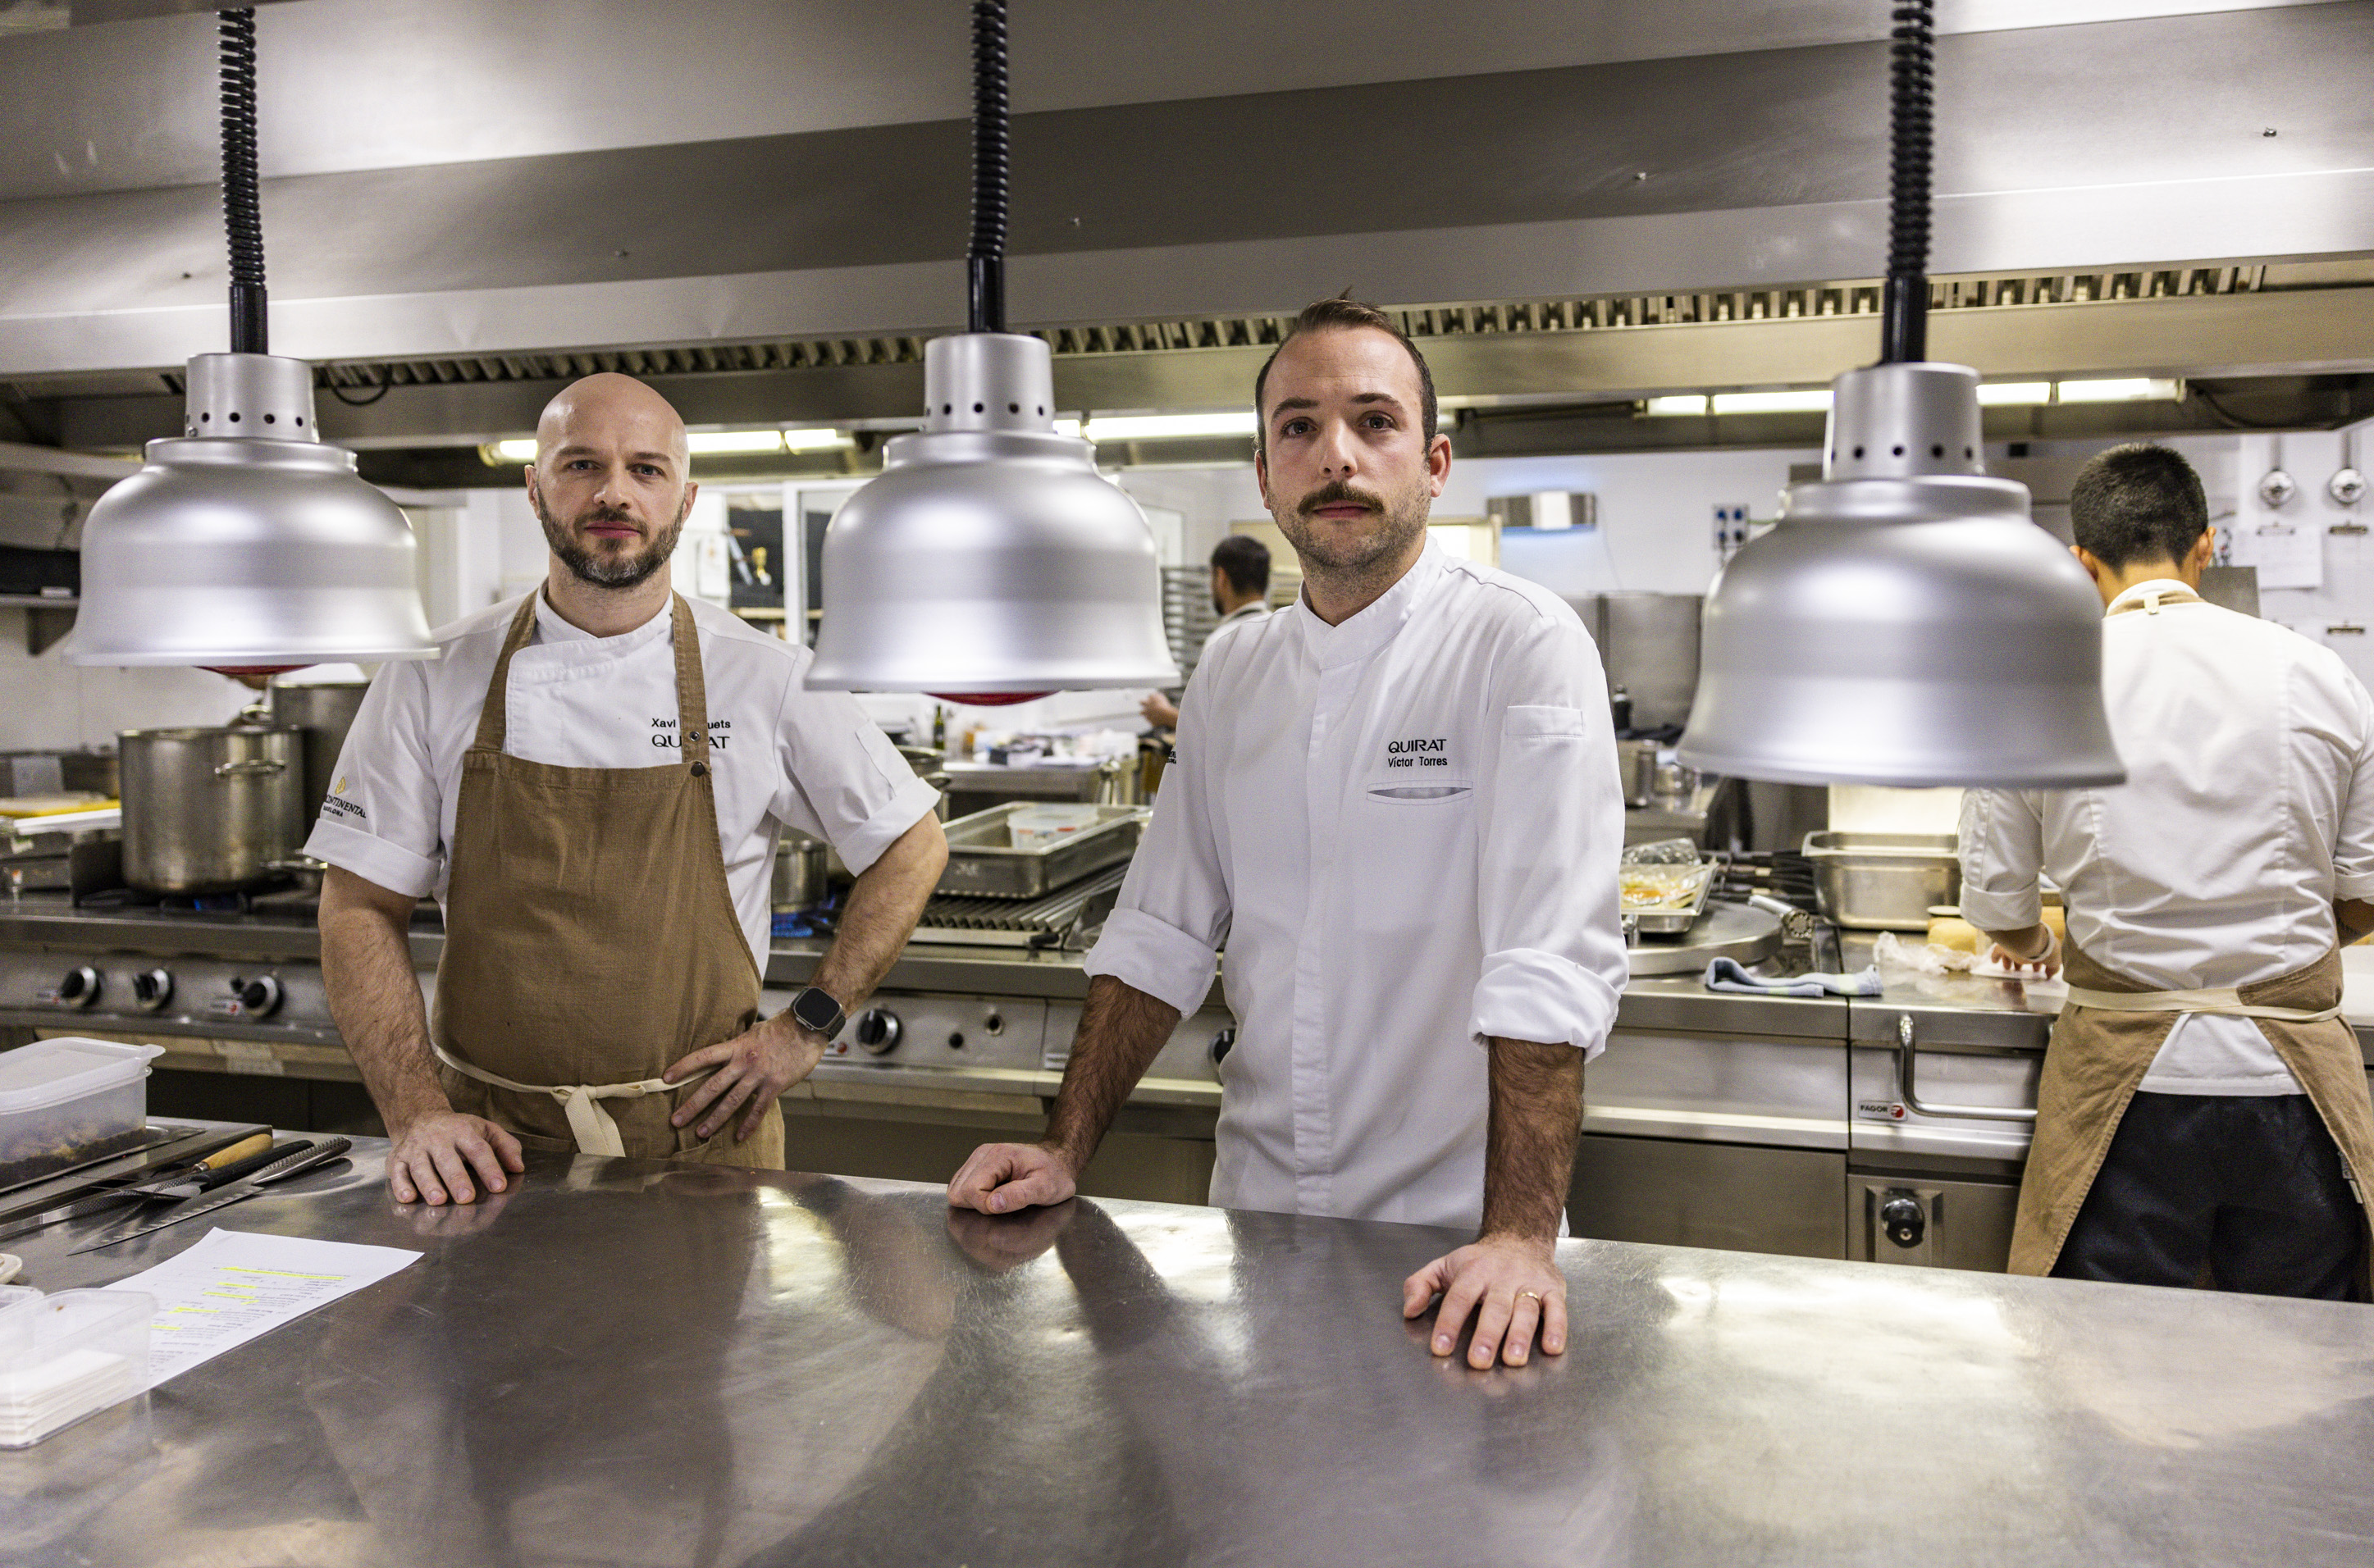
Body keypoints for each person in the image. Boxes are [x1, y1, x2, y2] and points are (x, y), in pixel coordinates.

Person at [947, 298, 1628, 1368]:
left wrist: (1519, 1235)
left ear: (1435, 462)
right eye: (1299, 428)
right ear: (1264, 474)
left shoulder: (1520, 645)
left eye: (1375, 422)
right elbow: (1159, 929)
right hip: (1257, 1225)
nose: (1337, 457)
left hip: (1456, 1251)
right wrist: (1063, 1146)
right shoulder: (1234, 670)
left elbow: (1547, 963)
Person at [313, 373, 949, 1206]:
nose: (615, 493)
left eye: (646, 470)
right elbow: (356, 904)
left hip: (702, 1147)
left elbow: (913, 844)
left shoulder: (766, 676)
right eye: (582, 464)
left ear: (686, 501)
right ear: (534, 487)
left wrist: (807, 1029)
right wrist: (416, 1115)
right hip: (487, 1156)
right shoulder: (433, 673)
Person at [1961, 443, 2374, 1297]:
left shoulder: (2036, 687)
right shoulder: (2320, 675)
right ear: (2206, 546)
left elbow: (1999, 911)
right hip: (2292, 1088)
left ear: (2083, 562)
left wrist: (2042, 940)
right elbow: (2365, 899)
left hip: (2122, 1092)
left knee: (2113, 1372)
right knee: (2302, 1376)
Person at [1140, 535, 1272, 731]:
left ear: (1221, 578)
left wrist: (1165, 714)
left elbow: (1213, 729)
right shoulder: (1283, 631)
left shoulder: (1224, 640)